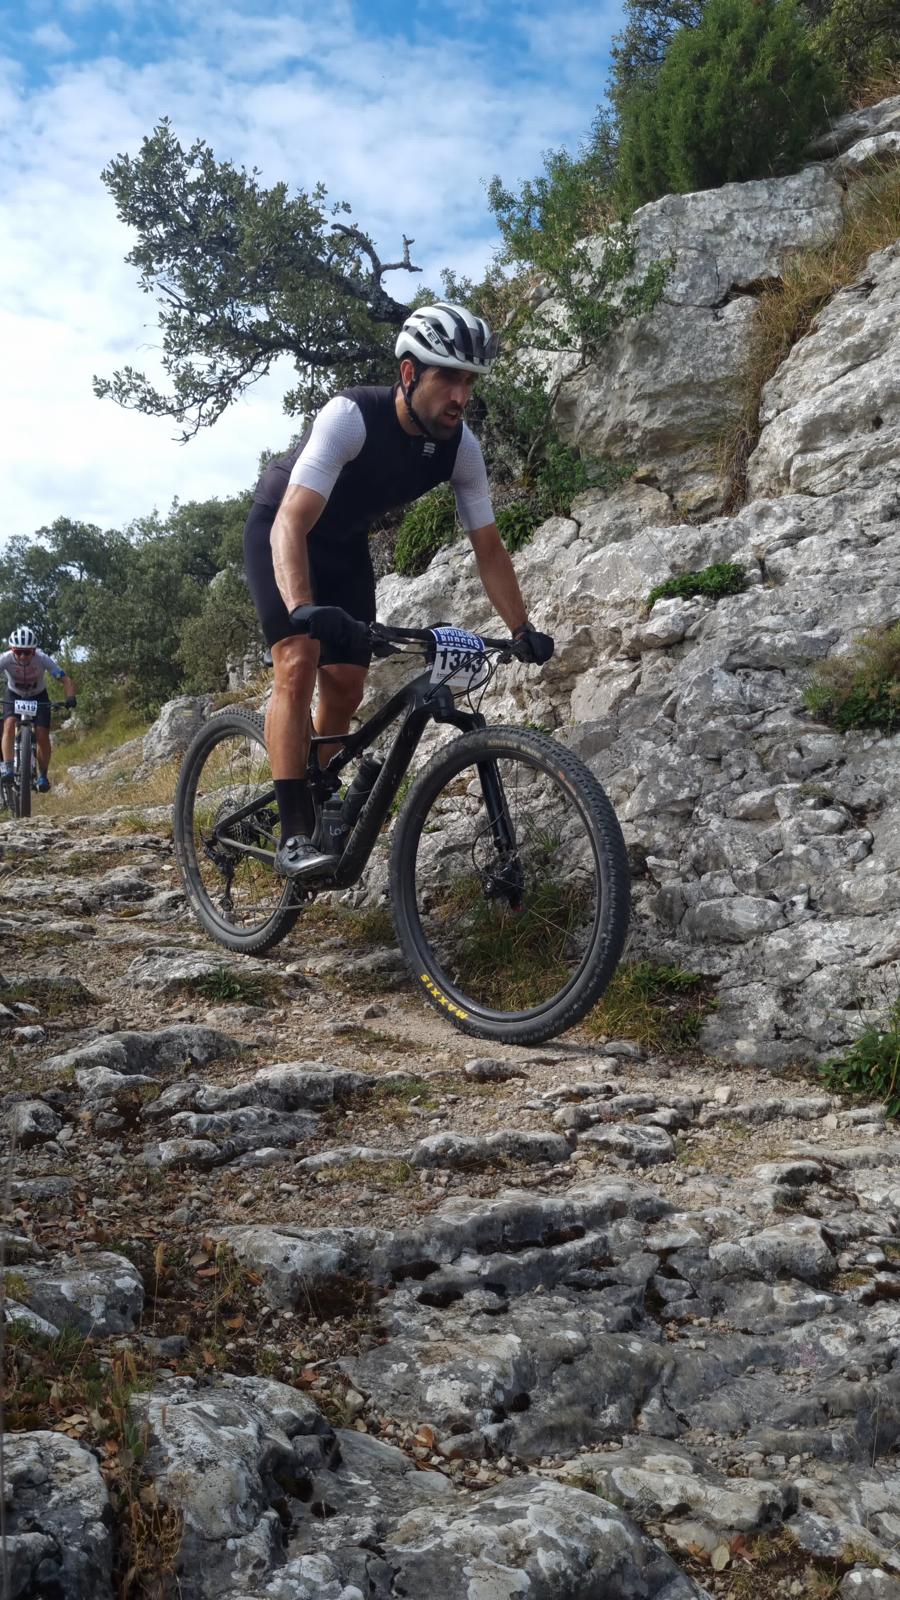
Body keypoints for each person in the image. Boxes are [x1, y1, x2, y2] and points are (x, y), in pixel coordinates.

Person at [243, 301, 554, 879]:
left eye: (469, 381)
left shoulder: (461, 448)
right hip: (284, 529)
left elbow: (489, 547)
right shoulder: (351, 417)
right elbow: (291, 522)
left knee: (346, 687)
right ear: (409, 374)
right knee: (298, 661)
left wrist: (521, 627)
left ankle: (316, 793)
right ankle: (293, 835)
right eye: (448, 379)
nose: (461, 396)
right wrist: (302, 607)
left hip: (344, 548)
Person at [0, 626, 77, 792]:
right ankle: (9, 769)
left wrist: (70, 697)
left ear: (34, 651)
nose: (22, 656)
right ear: (12, 650)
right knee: (9, 724)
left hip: (38, 696)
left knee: (42, 735)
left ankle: (43, 775)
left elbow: (65, 679)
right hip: (14, 694)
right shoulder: (5, 659)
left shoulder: (42, 658)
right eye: (18, 652)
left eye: (27, 652)